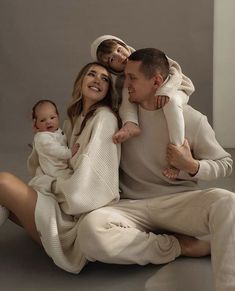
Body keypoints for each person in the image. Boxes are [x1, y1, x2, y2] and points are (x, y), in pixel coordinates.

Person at [77, 48, 235, 291]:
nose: (124, 84)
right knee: (89, 232)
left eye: (132, 78)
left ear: (157, 82)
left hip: (178, 204)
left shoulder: (192, 119)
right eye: (125, 77)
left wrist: (192, 166)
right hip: (130, 206)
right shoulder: (121, 118)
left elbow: (225, 163)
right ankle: (181, 246)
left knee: (228, 202)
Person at [0, 62, 121, 273]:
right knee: (5, 200)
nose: (97, 80)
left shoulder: (104, 119)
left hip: (70, 219)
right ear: (80, 81)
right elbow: (54, 160)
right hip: (58, 203)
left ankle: (52, 234)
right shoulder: (73, 121)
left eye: (104, 79)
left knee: (3, 182)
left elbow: (90, 188)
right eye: (91, 74)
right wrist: (41, 139)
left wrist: (49, 183)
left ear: (109, 89)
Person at [90, 35, 195, 178]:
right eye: (112, 59)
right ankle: (131, 124)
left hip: (176, 88)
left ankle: (177, 154)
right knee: (126, 91)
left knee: (171, 104)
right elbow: (124, 101)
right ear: (110, 68)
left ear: (124, 45)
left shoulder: (145, 57)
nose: (120, 57)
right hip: (149, 94)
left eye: (119, 50)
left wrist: (166, 91)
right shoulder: (123, 82)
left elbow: (175, 71)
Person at [27, 99, 79, 196]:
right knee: (72, 182)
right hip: (54, 170)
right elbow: (56, 151)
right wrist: (70, 152)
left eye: (52, 117)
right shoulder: (43, 138)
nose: (48, 122)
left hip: (61, 165)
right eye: (42, 120)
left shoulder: (55, 131)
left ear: (58, 117)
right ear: (36, 123)